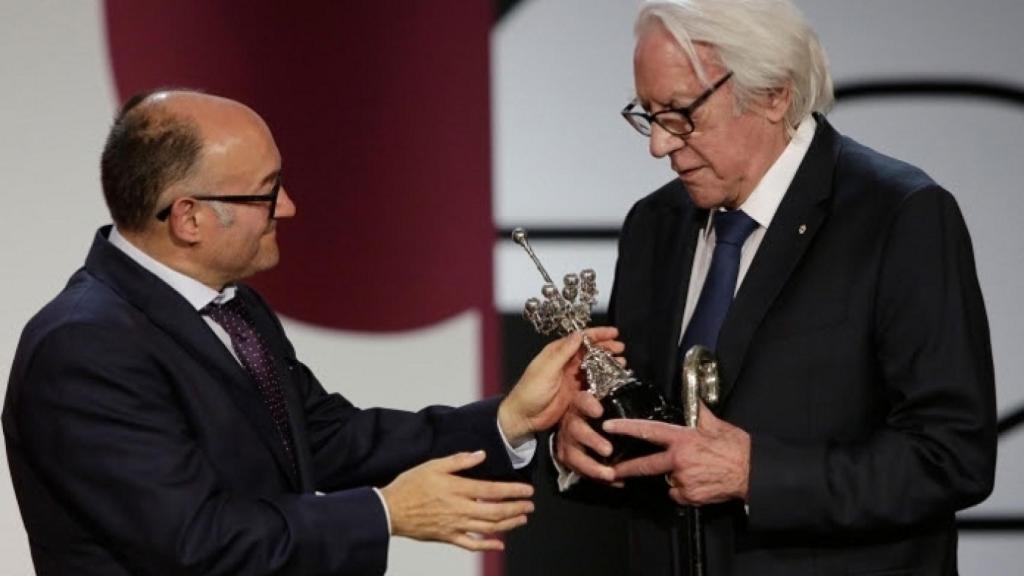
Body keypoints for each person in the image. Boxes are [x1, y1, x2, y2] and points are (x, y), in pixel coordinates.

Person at [2, 89, 621, 576]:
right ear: (188, 217)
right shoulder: (84, 348)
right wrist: (385, 513)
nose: (290, 208)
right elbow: (193, 542)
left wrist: (509, 420)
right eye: (267, 194)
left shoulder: (233, 309)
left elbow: (326, 438)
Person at [552, 1, 997, 575]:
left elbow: (952, 455)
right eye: (648, 115)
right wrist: (579, 446)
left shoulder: (898, 217)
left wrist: (757, 475)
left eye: (681, 114)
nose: (659, 146)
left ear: (773, 94)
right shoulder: (654, 226)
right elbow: (652, 438)